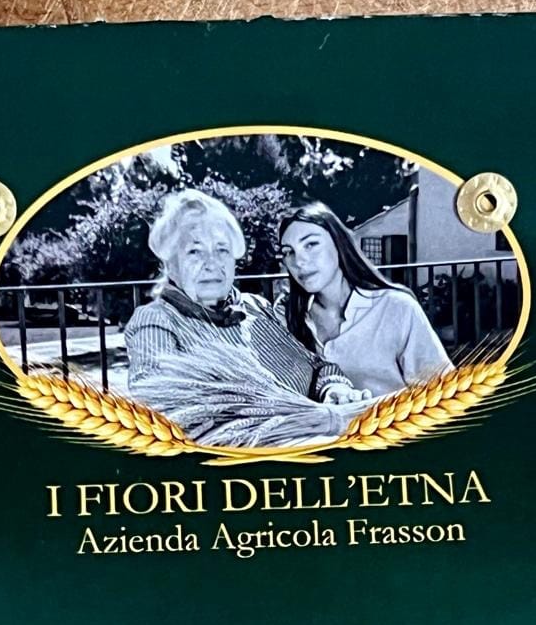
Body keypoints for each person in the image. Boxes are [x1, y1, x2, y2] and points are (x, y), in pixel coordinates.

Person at [122, 189, 364, 448]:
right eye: (194, 252)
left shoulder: (255, 307)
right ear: (170, 264)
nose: (212, 263)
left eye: (222, 250)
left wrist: (333, 389)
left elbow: (317, 366)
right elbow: (157, 406)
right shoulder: (157, 321)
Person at [277, 202, 450, 398]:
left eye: (311, 244)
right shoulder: (286, 319)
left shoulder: (396, 308)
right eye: (288, 252)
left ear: (338, 243)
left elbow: (443, 394)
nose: (299, 261)